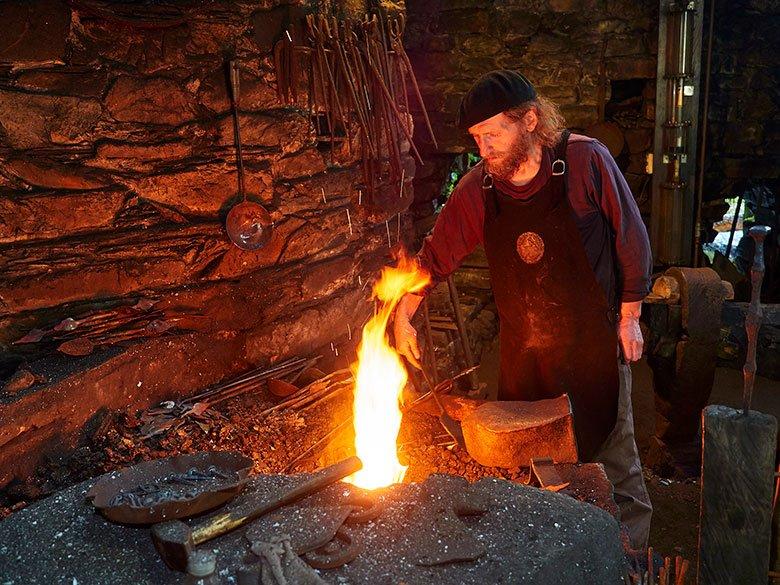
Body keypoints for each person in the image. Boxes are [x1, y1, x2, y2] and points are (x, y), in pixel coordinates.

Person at [393, 70, 653, 549]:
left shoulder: (584, 162)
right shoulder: (479, 189)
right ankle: (547, 556)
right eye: (477, 138)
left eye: (493, 134)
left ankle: (631, 559)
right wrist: (404, 313)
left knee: (613, 461)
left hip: (592, 347)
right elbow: (435, 257)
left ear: (530, 120)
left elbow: (631, 237)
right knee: (531, 468)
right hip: (526, 357)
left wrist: (630, 317)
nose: (484, 148)